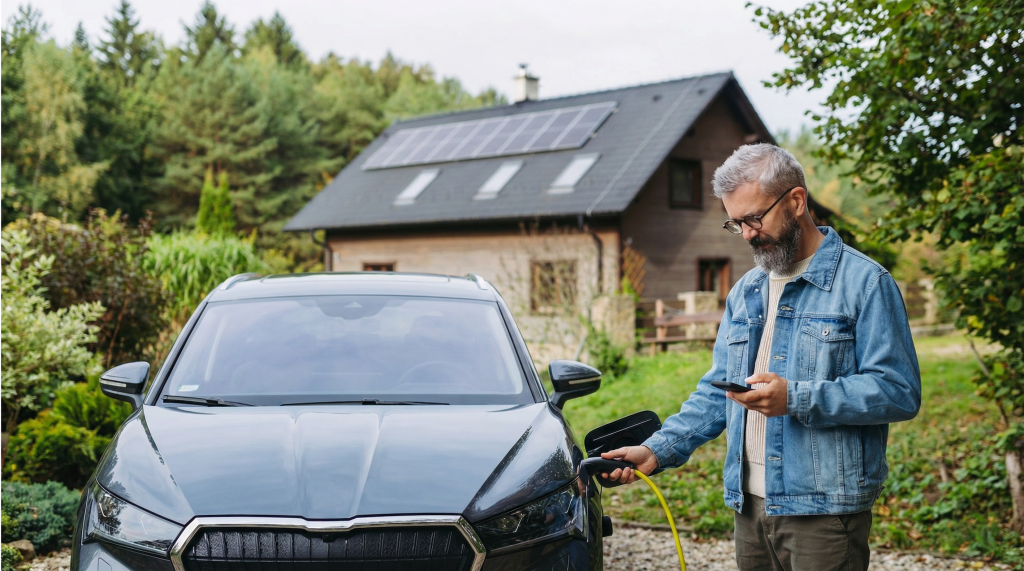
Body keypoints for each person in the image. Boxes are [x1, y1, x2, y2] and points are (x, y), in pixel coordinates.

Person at [601, 143, 921, 571]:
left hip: (824, 512)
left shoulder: (865, 283)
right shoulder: (746, 290)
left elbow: (898, 391)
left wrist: (797, 398)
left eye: (755, 218)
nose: (748, 234)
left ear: (796, 201)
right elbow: (718, 393)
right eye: (736, 223)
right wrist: (657, 450)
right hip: (748, 506)